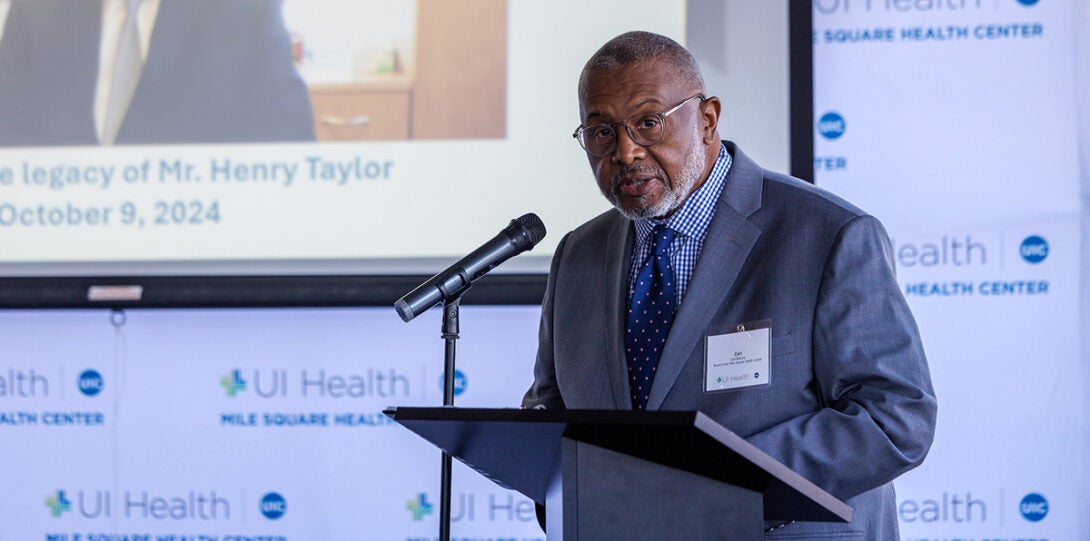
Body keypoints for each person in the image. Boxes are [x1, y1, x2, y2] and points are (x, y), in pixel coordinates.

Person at [522, 31, 937, 539]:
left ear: (708, 120)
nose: (626, 152)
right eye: (601, 132)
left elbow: (894, 418)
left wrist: (718, 476)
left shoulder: (827, 235)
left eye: (648, 123)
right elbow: (551, 408)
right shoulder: (578, 255)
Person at [0, 0, 314, 146]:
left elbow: (287, 157)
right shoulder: (36, 9)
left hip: (193, 265)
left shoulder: (245, 12)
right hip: (51, 260)